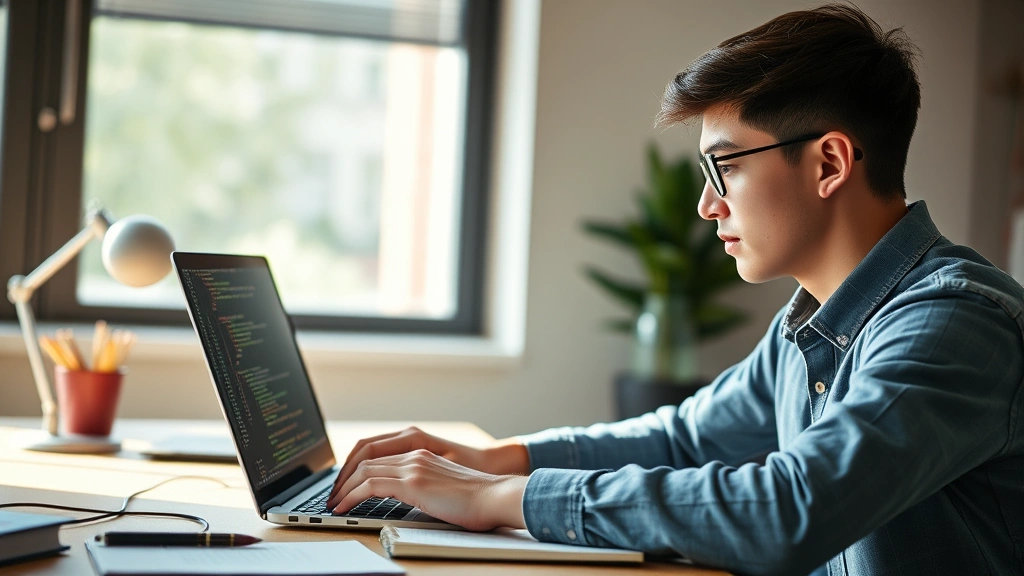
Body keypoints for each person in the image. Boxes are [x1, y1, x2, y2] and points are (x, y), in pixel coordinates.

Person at [327, 5, 1024, 575]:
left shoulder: (956, 322)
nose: (706, 206)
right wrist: (490, 459)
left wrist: (505, 497)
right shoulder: (809, 325)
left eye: (723, 169)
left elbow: (789, 508)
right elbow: (685, 440)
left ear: (830, 163)